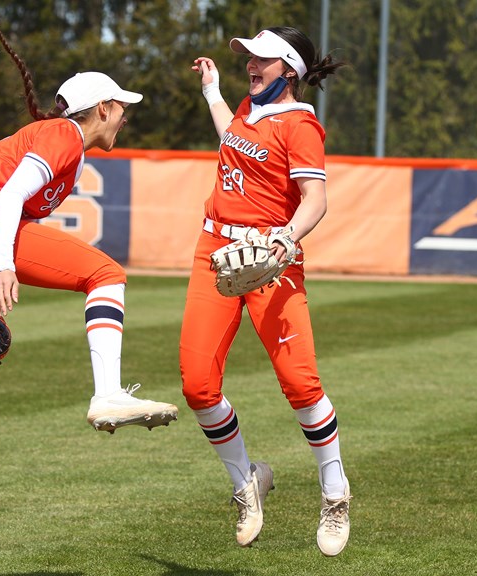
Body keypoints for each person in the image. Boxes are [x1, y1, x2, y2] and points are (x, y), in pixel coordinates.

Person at [0, 8, 178, 444]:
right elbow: (12, 197)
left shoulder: (68, 157)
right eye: (121, 108)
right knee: (107, 275)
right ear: (103, 109)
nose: (125, 117)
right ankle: (108, 394)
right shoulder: (64, 134)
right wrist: (2, 267)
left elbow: (15, 221)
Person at [182, 28, 351, 556]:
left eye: (263, 59)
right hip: (216, 249)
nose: (250, 65)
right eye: (248, 58)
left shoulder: (301, 126)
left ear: (290, 71)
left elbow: (315, 200)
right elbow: (233, 143)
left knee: (300, 383)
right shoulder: (247, 109)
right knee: (198, 385)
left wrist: (286, 238)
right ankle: (246, 483)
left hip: (271, 260)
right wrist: (212, 92)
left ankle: (334, 492)